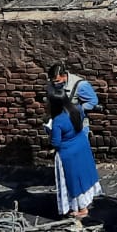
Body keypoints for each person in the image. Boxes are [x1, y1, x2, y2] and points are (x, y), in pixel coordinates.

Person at [47, 91, 100, 219]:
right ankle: (87, 201)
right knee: (85, 174)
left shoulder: (58, 121)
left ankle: (82, 209)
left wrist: (48, 130)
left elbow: (56, 142)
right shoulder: (77, 110)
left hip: (68, 153)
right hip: (82, 145)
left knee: (74, 181)